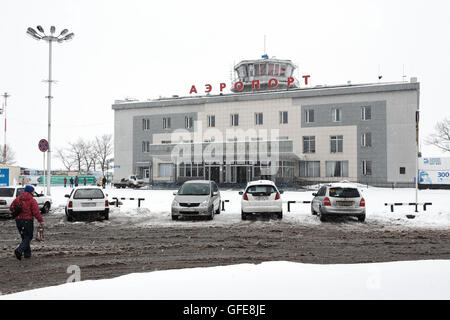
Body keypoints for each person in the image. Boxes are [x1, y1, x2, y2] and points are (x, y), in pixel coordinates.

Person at [10, 185, 44, 260]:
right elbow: (36, 212)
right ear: (30, 191)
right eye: (33, 191)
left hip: (18, 220)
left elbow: (11, 208)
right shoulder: (32, 200)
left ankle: (27, 254)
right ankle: (19, 250)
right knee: (28, 237)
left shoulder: (18, 199)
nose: (34, 192)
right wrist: (40, 220)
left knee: (24, 237)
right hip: (27, 220)